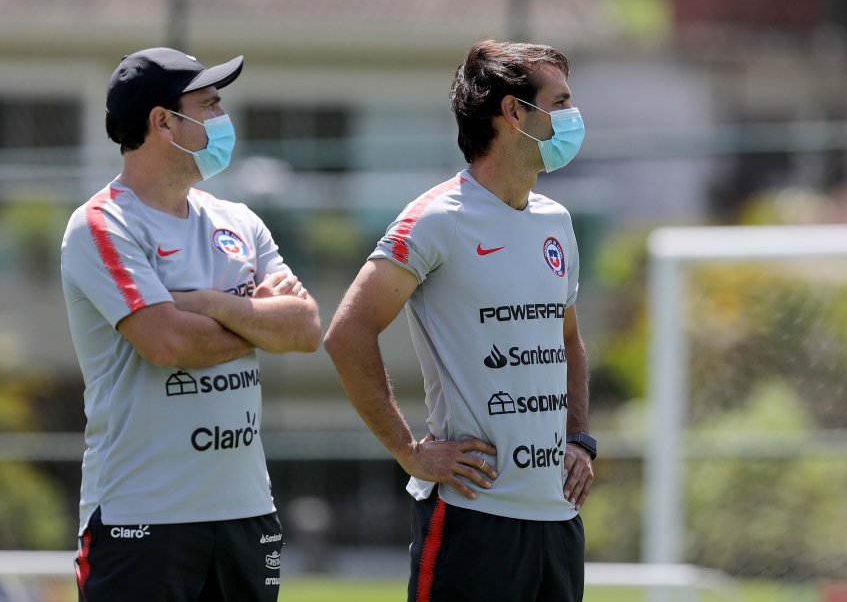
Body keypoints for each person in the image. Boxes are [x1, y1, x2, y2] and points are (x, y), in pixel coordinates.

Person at [324, 39, 595, 602]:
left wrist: (579, 440)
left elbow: (567, 339)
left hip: (556, 519)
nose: (573, 118)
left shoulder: (556, 220)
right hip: (474, 518)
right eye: (561, 102)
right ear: (514, 112)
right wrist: (410, 452)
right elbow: (347, 333)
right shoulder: (437, 219)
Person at [60, 47, 322, 602]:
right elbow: (168, 341)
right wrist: (256, 317)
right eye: (209, 105)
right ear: (162, 122)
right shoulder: (102, 225)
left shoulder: (238, 220)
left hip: (247, 514)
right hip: (142, 518)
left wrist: (208, 302)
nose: (222, 119)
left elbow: (304, 329)